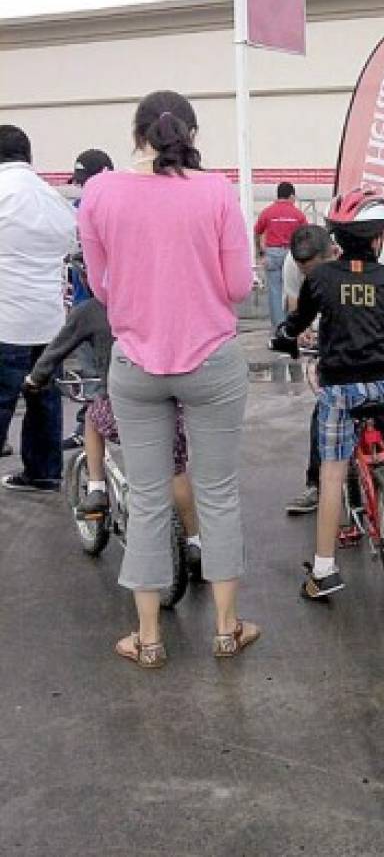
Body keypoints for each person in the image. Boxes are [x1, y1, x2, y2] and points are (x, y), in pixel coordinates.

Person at [79, 89, 259, 668]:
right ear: (192, 134)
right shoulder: (217, 191)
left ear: (136, 133)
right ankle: (228, 630)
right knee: (218, 494)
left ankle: (149, 637)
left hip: (135, 362)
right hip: (212, 360)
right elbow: (236, 286)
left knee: (151, 498)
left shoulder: (100, 192)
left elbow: (101, 287)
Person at [270, 189, 384, 601]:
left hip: (340, 390)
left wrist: (286, 335)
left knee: (331, 477)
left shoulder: (320, 279)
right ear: (377, 239)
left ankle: (324, 570)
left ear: (335, 240)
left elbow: (298, 320)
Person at [21, 268, 205, 578]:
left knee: (93, 418)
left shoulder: (92, 310)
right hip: (167, 399)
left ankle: (96, 488)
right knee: (175, 470)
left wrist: (34, 378)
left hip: (120, 403)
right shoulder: (157, 301)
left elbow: (55, 350)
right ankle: (194, 541)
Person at [282, 226, 384, 516]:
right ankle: (317, 483)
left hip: (379, 329)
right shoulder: (294, 262)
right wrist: (302, 335)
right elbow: (296, 306)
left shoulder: (379, 258)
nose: (311, 277)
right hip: (330, 327)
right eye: (307, 273)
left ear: (335, 253)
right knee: (326, 408)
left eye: (317, 271)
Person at [0, 125, 77, 494]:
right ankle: (43, 473)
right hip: (49, 323)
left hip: (6, 320)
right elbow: (70, 240)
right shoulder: (52, 197)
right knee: (44, 399)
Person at [61, 148, 115, 452]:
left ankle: (91, 430)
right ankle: (94, 426)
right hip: (92, 303)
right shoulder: (78, 208)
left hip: (95, 305)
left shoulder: (85, 209)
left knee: (94, 375)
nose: (83, 188)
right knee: (96, 373)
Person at [255, 181, 308, 327]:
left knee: (275, 292)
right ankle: (293, 326)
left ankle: (278, 328)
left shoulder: (267, 212)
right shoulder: (298, 214)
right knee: (294, 289)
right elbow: (306, 236)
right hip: (292, 255)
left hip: (272, 254)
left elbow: (257, 231)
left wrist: (261, 253)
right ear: (291, 196)